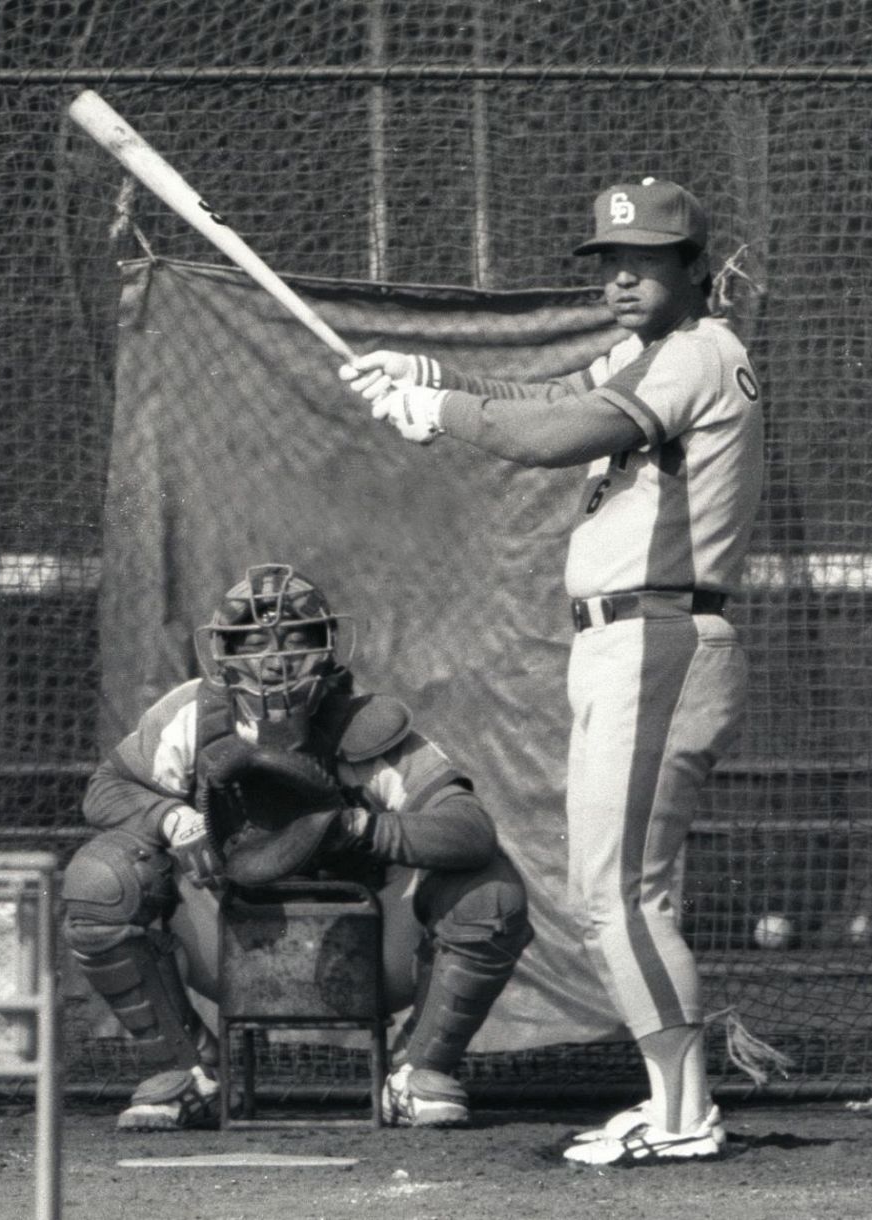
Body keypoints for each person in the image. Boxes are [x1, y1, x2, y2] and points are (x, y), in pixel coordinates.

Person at [339, 178, 764, 1165]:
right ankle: (672, 1100)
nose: (622, 276)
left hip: (659, 636)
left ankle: (682, 1113)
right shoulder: (638, 353)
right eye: (610, 260)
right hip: (618, 642)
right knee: (608, 886)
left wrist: (436, 407)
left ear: (692, 268)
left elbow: (557, 436)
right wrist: (428, 374)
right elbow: (546, 399)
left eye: (646, 260)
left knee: (622, 890)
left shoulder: (701, 351)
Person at [63, 562, 532, 1131]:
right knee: (102, 880)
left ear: (328, 648)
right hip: (226, 936)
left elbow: (469, 829)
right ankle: (187, 1075)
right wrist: (173, 817)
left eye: (294, 640)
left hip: (367, 944)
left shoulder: (365, 722)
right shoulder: (191, 714)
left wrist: (354, 827)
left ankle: (417, 1072)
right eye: (254, 642)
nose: (273, 660)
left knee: (490, 891)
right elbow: (104, 789)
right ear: (223, 652)